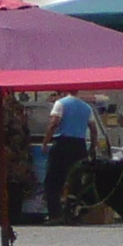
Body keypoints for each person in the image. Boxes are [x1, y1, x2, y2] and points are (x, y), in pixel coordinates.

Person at [47, 90, 98, 221]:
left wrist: (45, 142)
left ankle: (55, 215)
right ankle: (74, 214)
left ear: (64, 92)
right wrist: (92, 146)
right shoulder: (87, 107)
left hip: (62, 144)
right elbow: (93, 129)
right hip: (80, 146)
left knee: (53, 181)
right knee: (76, 182)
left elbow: (54, 123)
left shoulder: (60, 103)